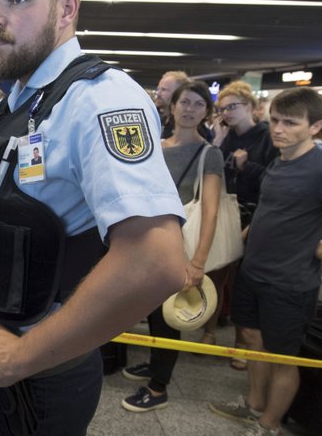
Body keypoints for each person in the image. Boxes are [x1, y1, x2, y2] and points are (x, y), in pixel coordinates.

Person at [0, 0, 186, 435]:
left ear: (67, 9)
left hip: (35, 376)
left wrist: (21, 356)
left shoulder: (99, 100)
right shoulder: (16, 101)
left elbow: (158, 261)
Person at [209, 87, 322, 436]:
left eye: (290, 123)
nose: (278, 129)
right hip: (255, 271)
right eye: (274, 120)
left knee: (282, 357)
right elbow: (272, 211)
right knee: (252, 339)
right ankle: (255, 407)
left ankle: (270, 425)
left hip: (289, 281)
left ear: (316, 125)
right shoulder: (282, 158)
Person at [121, 81, 223, 412]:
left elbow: (210, 211)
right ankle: (155, 364)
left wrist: (197, 263)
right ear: (172, 106)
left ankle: (159, 387)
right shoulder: (154, 145)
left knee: (168, 316)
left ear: (207, 111)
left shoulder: (210, 154)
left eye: (198, 104)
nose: (189, 109)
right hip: (144, 241)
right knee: (150, 310)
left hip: (178, 246)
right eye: (184, 102)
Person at [208, 81, 277, 363]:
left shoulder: (267, 137)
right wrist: (217, 143)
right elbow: (210, 170)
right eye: (222, 108)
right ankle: (208, 331)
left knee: (240, 282)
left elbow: (274, 180)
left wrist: (246, 166)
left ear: (250, 106)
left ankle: (239, 342)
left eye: (232, 107)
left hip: (253, 214)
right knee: (215, 273)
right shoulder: (225, 135)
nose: (227, 113)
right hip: (225, 211)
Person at [154, 70, 190, 139]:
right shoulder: (163, 119)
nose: (158, 93)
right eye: (158, 89)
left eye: (164, 90)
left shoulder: (185, 124)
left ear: (179, 93)